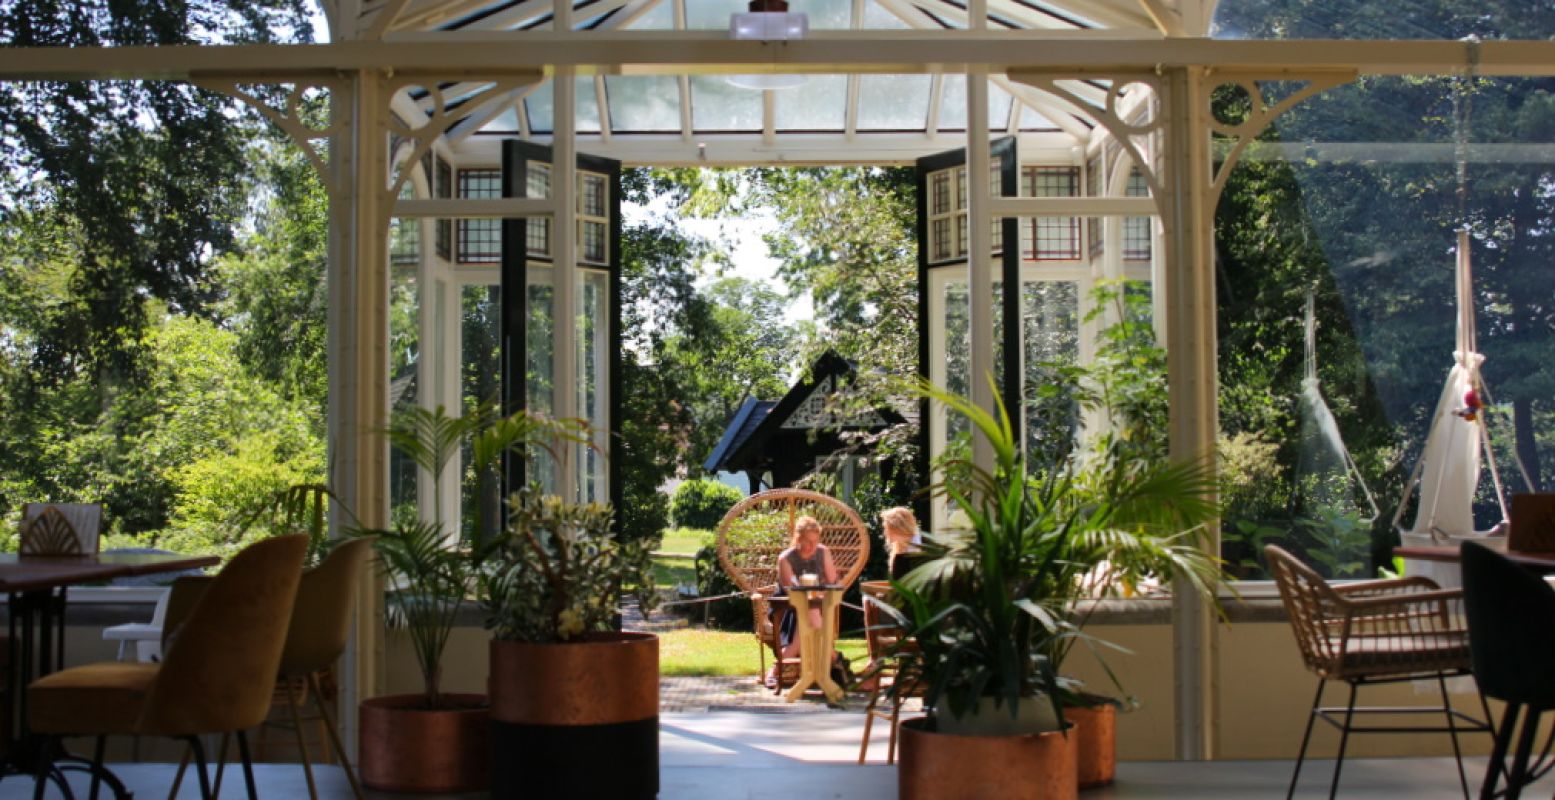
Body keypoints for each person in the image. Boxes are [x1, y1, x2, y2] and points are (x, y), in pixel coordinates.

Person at [766, 514, 838, 689]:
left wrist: (821, 594)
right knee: (809, 613)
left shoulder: (823, 552)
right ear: (797, 538)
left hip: (816, 605)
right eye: (807, 541)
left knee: (811, 613)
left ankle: (775, 671)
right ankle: (834, 660)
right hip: (787, 607)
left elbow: (833, 582)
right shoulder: (786, 558)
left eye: (815, 541)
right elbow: (790, 589)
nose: (811, 546)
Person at [880, 506, 924, 580]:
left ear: (898, 528)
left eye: (887, 528)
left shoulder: (916, 551)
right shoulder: (898, 547)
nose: (885, 533)